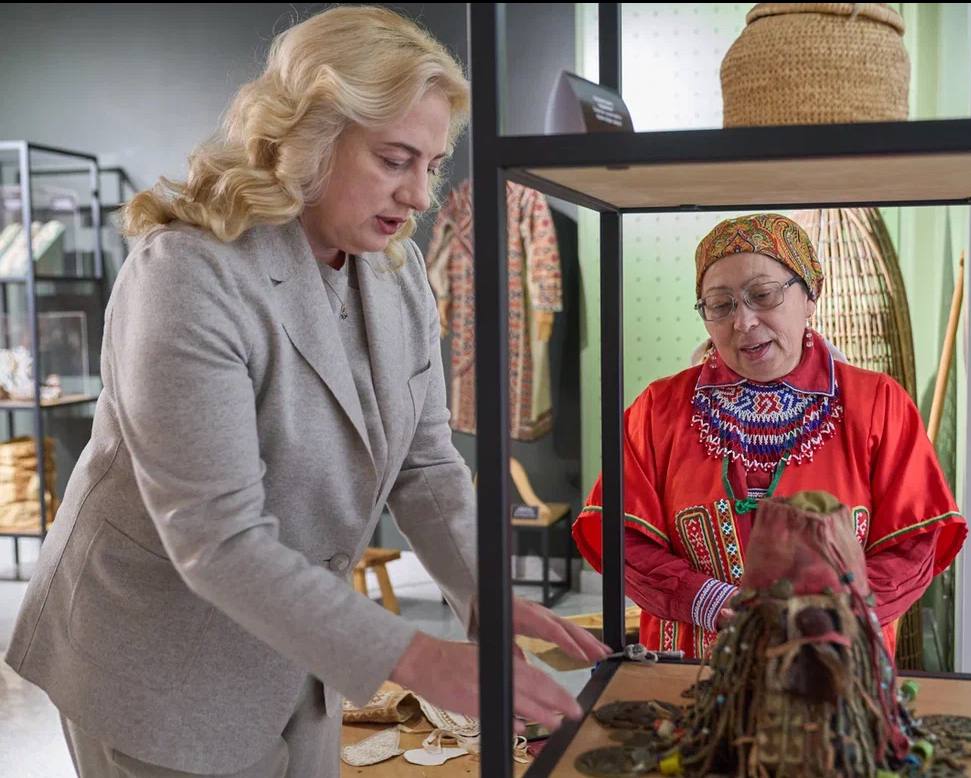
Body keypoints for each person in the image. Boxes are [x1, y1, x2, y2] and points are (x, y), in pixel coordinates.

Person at [5, 7, 607, 777]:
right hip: (156, 664)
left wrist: (484, 593)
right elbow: (217, 538)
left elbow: (426, 463)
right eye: (394, 160)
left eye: (431, 165)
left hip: (299, 649)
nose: (420, 196)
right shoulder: (188, 274)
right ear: (310, 135)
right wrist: (418, 658)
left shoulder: (395, 276)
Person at [573, 213, 967, 661]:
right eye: (720, 305)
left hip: (834, 671)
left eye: (762, 295)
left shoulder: (878, 404)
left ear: (810, 295)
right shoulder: (657, 410)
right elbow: (619, 537)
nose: (743, 321)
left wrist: (827, 617)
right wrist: (707, 600)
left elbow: (913, 546)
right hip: (691, 670)